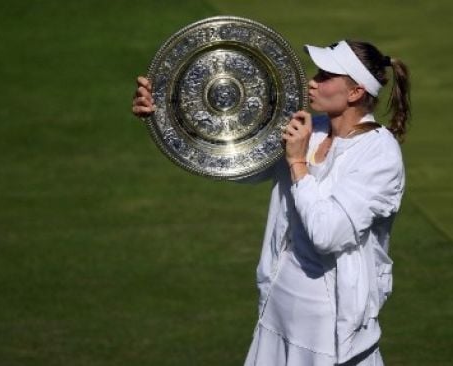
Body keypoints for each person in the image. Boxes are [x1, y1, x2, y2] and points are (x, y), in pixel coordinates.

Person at [132, 39, 411, 366]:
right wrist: (167, 112)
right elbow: (234, 165)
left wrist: (297, 163)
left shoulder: (379, 155)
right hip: (279, 306)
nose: (312, 81)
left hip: (332, 328)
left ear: (355, 92)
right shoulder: (311, 130)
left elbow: (329, 234)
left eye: (325, 76)